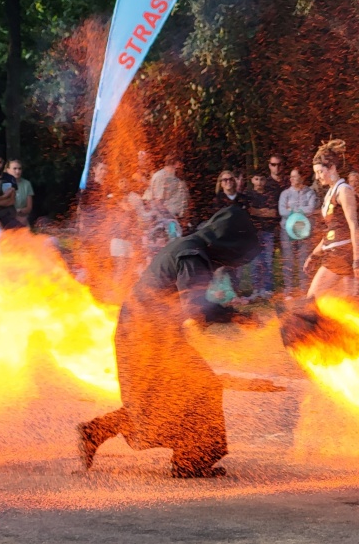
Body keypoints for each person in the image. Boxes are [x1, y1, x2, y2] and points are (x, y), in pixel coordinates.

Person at [76, 206, 264, 478]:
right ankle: (191, 461)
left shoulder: (190, 247)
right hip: (147, 334)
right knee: (201, 388)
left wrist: (229, 316)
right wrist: (235, 316)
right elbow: (195, 309)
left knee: (163, 397)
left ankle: (97, 431)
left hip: (146, 331)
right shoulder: (193, 255)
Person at [304, 139, 359, 298]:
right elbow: (332, 231)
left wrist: (357, 260)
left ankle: (301, 321)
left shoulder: (343, 190)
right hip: (335, 250)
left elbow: (354, 226)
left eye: (320, 172)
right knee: (347, 302)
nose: (317, 177)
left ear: (332, 168)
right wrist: (314, 255)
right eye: (315, 173)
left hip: (341, 253)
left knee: (312, 299)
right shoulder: (331, 192)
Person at [278, 168, 317, 299]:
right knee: (288, 260)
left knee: (304, 260)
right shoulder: (285, 194)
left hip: (304, 232)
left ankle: (304, 290)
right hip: (287, 232)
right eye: (291, 176)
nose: (291, 179)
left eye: (295, 177)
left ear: (302, 178)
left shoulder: (310, 193)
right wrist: (299, 211)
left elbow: (311, 208)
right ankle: (288, 290)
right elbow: (282, 211)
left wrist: (293, 210)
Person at [247, 173, 280, 300]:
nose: (259, 181)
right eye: (256, 178)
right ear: (252, 180)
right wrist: (264, 211)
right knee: (255, 261)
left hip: (268, 232)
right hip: (254, 232)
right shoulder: (249, 194)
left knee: (267, 260)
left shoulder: (270, 194)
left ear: (265, 180)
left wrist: (257, 211)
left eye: (262, 179)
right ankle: (256, 289)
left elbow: (273, 213)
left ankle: (267, 288)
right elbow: (250, 211)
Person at [146, 155, 189, 227]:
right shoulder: (161, 177)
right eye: (180, 164)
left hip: (177, 221)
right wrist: (172, 218)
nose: (182, 166)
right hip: (167, 222)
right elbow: (157, 202)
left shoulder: (175, 178)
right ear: (176, 163)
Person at [7, 160, 34, 225]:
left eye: (19, 169)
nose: (17, 171)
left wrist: (20, 211)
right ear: (8, 170)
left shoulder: (26, 184)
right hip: (7, 217)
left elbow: (29, 207)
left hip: (23, 216)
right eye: (15, 169)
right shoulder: (4, 184)